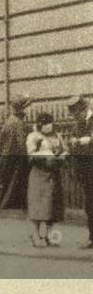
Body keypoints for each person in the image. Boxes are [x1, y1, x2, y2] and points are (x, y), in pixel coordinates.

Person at [0, 94, 31, 243]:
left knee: (23, 201)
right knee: (0, 202)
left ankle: (32, 233)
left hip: (7, 167)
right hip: (12, 169)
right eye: (28, 105)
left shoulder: (11, 122)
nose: (31, 108)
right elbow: (23, 147)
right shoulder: (17, 123)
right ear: (23, 108)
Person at [26, 112, 66, 247]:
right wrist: (45, 154)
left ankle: (50, 235)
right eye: (45, 124)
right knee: (38, 206)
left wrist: (62, 155)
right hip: (39, 175)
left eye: (50, 123)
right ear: (39, 125)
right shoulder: (34, 136)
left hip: (53, 175)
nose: (49, 126)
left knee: (51, 207)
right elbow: (30, 155)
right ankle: (35, 235)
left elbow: (65, 149)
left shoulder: (57, 136)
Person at [66, 95, 93, 248]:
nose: (76, 117)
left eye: (77, 114)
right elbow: (72, 140)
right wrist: (73, 142)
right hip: (86, 171)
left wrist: (89, 140)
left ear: (84, 109)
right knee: (90, 204)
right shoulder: (77, 124)